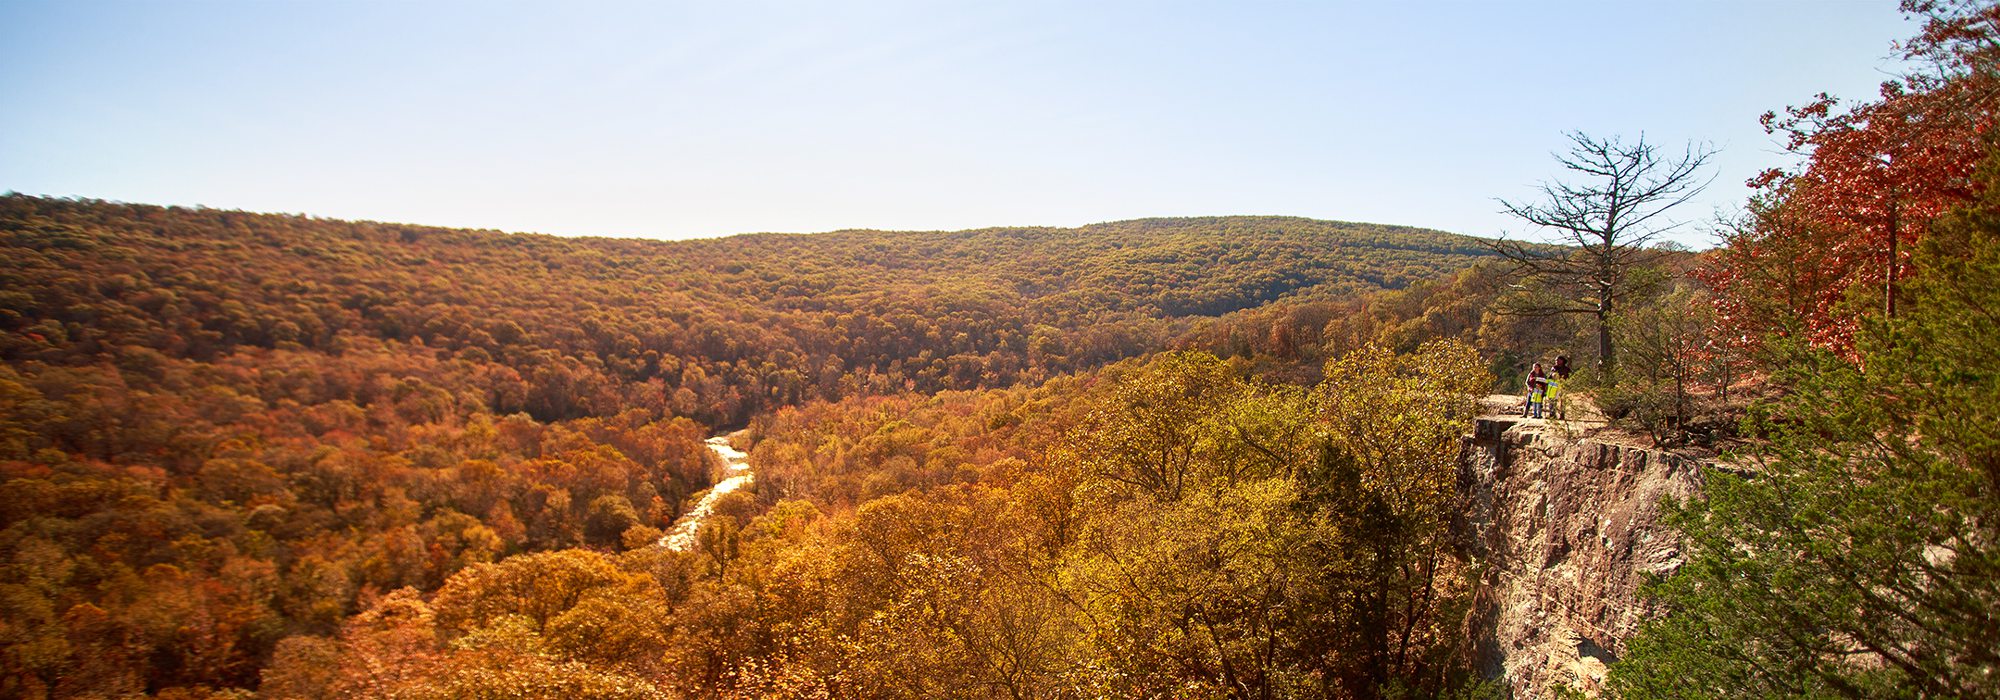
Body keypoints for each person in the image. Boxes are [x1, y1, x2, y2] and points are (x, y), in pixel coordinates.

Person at [1548, 355, 1572, 419]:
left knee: (1563, 401)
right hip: (1554, 386)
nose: (1556, 361)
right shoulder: (1554, 368)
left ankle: (1562, 415)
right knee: (1552, 400)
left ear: (1562, 361)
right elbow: (1550, 376)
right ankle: (1552, 414)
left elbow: (1569, 377)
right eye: (1556, 360)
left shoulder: (1566, 369)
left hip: (1563, 386)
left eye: (1558, 360)